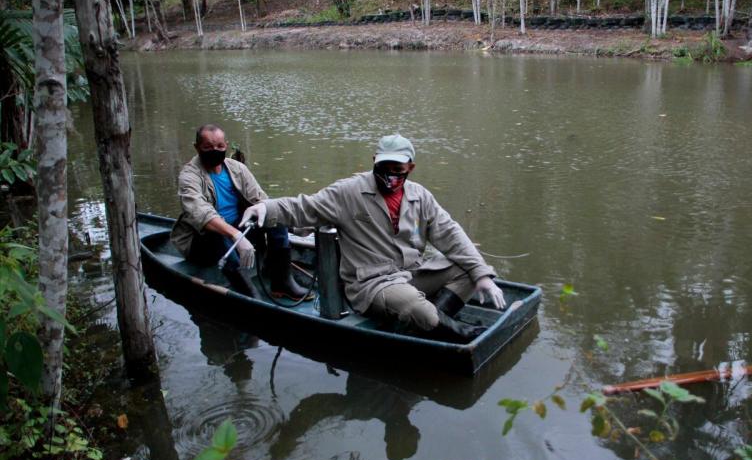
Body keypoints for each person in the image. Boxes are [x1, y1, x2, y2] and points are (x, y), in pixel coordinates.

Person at [239, 134, 506, 341]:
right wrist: (265, 208)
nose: (390, 174)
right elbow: (304, 207)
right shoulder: (348, 192)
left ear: (410, 167)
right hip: (373, 283)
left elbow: (450, 233)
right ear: (374, 161)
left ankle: (428, 321)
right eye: (384, 166)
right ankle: (449, 329)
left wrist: (482, 276)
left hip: (412, 274)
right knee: (419, 309)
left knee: (472, 269)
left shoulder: (420, 196)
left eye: (397, 167)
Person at [170, 124, 308, 300]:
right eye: (208, 147)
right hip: (204, 242)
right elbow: (201, 214)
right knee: (217, 236)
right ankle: (250, 296)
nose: (215, 150)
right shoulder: (189, 176)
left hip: (239, 230)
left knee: (274, 215)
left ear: (226, 145)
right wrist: (236, 236)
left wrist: (294, 227)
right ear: (197, 148)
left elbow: (261, 201)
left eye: (220, 146)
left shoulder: (237, 169)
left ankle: (282, 283)